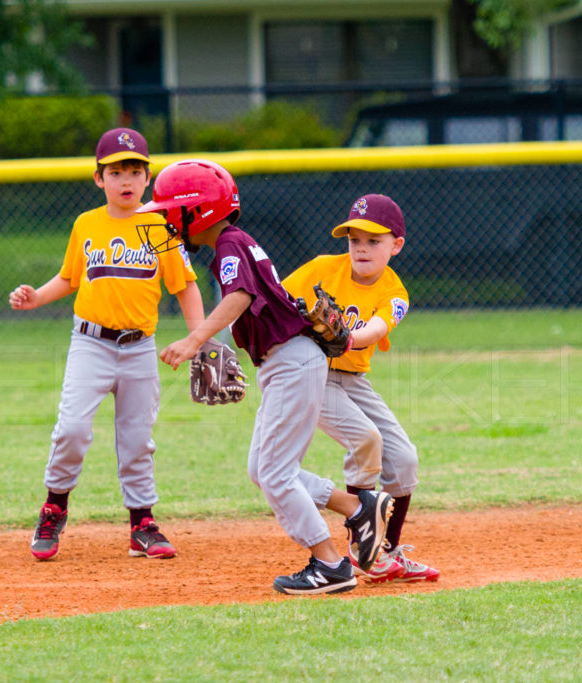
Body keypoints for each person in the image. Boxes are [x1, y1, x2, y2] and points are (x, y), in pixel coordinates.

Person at [137, 159, 394, 595]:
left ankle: (330, 564)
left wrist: (195, 340)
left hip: (292, 362)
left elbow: (240, 294)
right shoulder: (235, 244)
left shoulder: (230, 246)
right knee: (263, 468)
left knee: (275, 473)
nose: (164, 221)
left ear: (196, 211)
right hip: (287, 362)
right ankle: (356, 508)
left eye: (168, 212)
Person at [8, 128, 204, 561]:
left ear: (148, 177)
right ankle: (54, 507)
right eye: (117, 172)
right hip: (90, 345)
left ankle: (142, 524)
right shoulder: (87, 224)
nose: (127, 180)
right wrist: (37, 297)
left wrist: (199, 339)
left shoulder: (161, 227)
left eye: (135, 170)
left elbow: (185, 286)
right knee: (73, 430)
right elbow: (70, 277)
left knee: (137, 439)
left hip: (140, 348)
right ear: (100, 179)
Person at [282, 193, 440, 583]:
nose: (362, 248)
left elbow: (377, 328)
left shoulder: (395, 291)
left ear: (396, 245)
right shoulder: (322, 268)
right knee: (366, 438)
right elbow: (276, 299)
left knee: (404, 458)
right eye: (355, 240)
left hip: (353, 377)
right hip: (310, 373)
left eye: (373, 240)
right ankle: (359, 546)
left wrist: (348, 336)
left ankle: (384, 554)